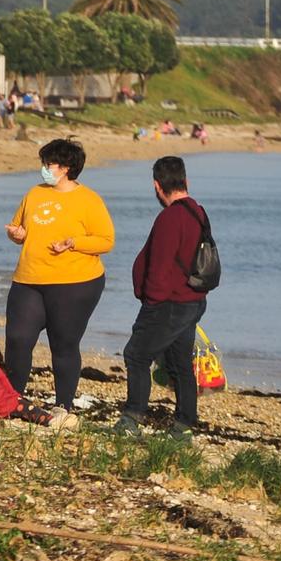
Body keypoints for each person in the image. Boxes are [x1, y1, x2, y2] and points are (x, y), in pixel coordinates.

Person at [3, 138, 115, 416]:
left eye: (48, 164)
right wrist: (16, 234)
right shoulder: (34, 193)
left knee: (63, 344)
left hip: (76, 283)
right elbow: (19, 229)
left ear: (65, 168)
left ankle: (63, 406)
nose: (44, 168)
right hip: (29, 279)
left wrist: (73, 242)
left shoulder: (89, 199)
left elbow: (106, 240)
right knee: (18, 337)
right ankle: (11, 399)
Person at [115, 156, 212, 436]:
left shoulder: (170, 217)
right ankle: (183, 425)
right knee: (179, 363)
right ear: (185, 181)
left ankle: (132, 420)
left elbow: (160, 266)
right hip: (192, 299)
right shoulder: (198, 211)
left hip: (169, 302)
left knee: (136, 355)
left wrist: (151, 304)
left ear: (157, 186)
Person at [0, 340, 71, 429]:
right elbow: (9, 390)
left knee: (18, 409)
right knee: (28, 409)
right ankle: (50, 420)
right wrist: (19, 399)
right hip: (3, 405)